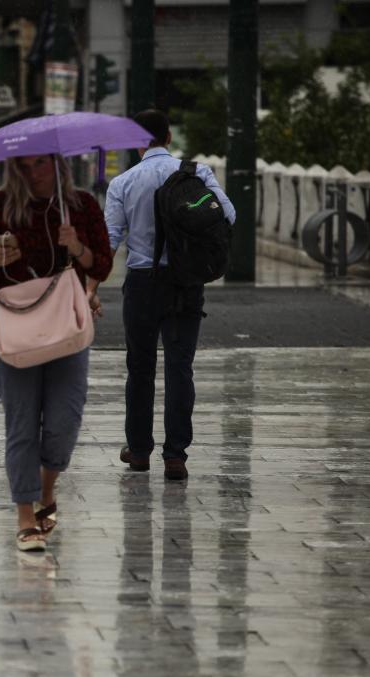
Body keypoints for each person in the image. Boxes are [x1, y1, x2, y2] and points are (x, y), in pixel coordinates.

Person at [0, 153, 113, 551]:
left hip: (64, 319)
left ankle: (47, 488)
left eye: (41, 164)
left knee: (64, 419)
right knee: (22, 420)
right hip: (10, 321)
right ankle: (24, 515)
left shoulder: (79, 204)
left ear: (58, 164)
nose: (34, 173)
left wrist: (77, 246)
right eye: (24, 166)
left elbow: (103, 261)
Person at [105, 109, 235, 481]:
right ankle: (176, 455)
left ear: (136, 142)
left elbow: (110, 241)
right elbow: (229, 214)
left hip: (143, 282)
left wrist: (88, 285)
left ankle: (140, 451)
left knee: (140, 369)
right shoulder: (196, 173)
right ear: (169, 138)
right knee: (181, 368)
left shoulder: (123, 183)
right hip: (186, 282)